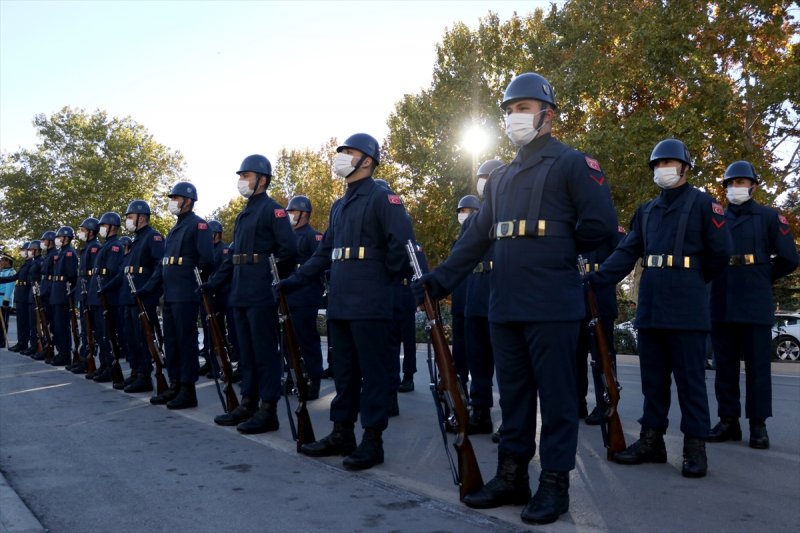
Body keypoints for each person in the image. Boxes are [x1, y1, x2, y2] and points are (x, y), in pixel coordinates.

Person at [412, 73, 617, 525]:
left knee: (559, 398)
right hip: (504, 305)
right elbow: (476, 238)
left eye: (523, 108)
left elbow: (601, 223)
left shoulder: (572, 164)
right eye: (509, 110)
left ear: (547, 114)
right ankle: (511, 476)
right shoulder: (501, 177)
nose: (514, 117)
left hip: (552, 302)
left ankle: (555, 483)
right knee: (515, 397)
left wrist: (557, 249)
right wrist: (438, 280)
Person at [591, 138, 732, 478]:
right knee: (653, 380)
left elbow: (720, 254)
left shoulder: (703, 205)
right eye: (658, 164)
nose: (663, 169)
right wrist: (598, 278)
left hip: (687, 304)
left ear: (685, 168)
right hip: (652, 303)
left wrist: (693, 279)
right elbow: (627, 252)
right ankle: (651, 441)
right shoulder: (647, 211)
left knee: (690, 382)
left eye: (669, 163)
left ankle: (694, 446)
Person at [280, 133, 415, 471]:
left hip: (371, 302)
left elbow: (401, 247)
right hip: (341, 301)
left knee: (374, 373)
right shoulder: (340, 206)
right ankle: (342, 432)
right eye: (341, 152)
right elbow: (324, 255)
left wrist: (381, 284)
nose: (340, 157)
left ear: (367, 159)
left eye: (348, 152)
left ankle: (372, 441)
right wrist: (292, 282)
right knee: (344, 373)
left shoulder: (384, 199)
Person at [708, 161, 798, 449]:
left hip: (755, 301)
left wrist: (762, 276)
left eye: (742, 182)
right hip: (722, 298)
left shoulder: (770, 217)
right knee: (725, 367)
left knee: (758, 368)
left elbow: (790, 258)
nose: (736, 188)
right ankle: (728, 421)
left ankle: (758, 425)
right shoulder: (716, 217)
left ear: (753, 186)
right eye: (731, 183)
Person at [203, 156, 296, 432]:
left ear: (262, 180)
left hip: (260, 293)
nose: (242, 181)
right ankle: (248, 401)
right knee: (245, 350)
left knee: (264, 351)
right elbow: (232, 257)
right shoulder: (244, 214)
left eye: (247, 176)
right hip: (240, 291)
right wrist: (214, 284)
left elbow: (288, 251)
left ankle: (268, 409)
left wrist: (269, 279)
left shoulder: (273, 210)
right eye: (241, 176)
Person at [140, 182, 213, 409]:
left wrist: (194, 285)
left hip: (186, 294)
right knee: (171, 342)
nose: (172, 202)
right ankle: (174, 384)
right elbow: (164, 266)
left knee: (185, 342)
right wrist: (148, 289)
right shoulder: (174, 229)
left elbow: (207, 261)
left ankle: (187, 390)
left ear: (188, 201)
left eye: (176, 198)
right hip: (170, 296)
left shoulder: (198, 225)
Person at [111, 201, 165, 393]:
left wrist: (149, 289)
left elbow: (160, 267)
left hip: (142, 296)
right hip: (129, 296)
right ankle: (135, 372)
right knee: (130, 337)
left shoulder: (153, 237)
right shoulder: (136, 240)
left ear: (141, 217)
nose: (127, 220)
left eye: (130, 217)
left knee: (143, 338)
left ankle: (145, 376)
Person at [577, 223, 626, 425]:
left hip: (600, 294)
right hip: (575, 293)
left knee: (602, 354)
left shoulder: (612, 228)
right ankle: (577, 401)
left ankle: (605, 401)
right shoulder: (573, 224)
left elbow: (623, 258)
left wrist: (604, 279)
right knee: (574, 355)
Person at [285, 195, 325, 400]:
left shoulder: (313, 236)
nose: (289, 215)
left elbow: (318, 265)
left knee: (306, 338)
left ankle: (314, 380)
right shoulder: (286, 236)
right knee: (288, 339)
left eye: (293, 212)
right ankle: (294, 375)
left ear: (304, 214)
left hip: (305, 293)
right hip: (288, 293)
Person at [89, 212, 125, 382]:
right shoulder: (105, 246)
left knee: (107, 335)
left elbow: (114, 272)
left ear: (112, 227)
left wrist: (105, 288)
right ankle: (103, 365)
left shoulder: (115, 246)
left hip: (108, 297)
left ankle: (111, 367)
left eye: (103, 226)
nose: (101, 229)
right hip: (98, 296)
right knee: (100, 335)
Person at [70, 218, 102, 374]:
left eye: (83, 230)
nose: (81, 232)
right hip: (83, 290)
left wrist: (90, 292)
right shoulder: (87, 247)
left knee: (90, 328)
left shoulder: (95, 247)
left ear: (90, 232)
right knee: (84, 327)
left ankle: (87, 358)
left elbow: (94, 274)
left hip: (89, 291)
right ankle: (84, 358)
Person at [48, 226, 79, 366]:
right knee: (57, 325)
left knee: (62, 325)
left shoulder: (69, 253)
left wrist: (69, 292)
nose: (58, 239)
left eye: (60, 237)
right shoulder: (62, 252)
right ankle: (60, 352)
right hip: (57, 291)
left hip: (62, 292)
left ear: (66, 238)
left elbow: (72, 275)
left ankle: (65, 354)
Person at [7, 243, 30, 353]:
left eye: (23, 249)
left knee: (25, 321)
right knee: (20, 321)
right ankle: (21, 342)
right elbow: (14, 277)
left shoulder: (32, 263)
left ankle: (24, 343)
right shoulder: (25, 264)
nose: (21, 251)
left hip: (26, 295)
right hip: (21, 295)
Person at [0, 254, 16, 348]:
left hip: (4, 300)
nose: (0, 262)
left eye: (2, 260)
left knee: (3, 322)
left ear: (8, 261)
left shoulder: (11, 272)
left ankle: (2, 341)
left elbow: (9, 287)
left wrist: (6, 300)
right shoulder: (2, 271)